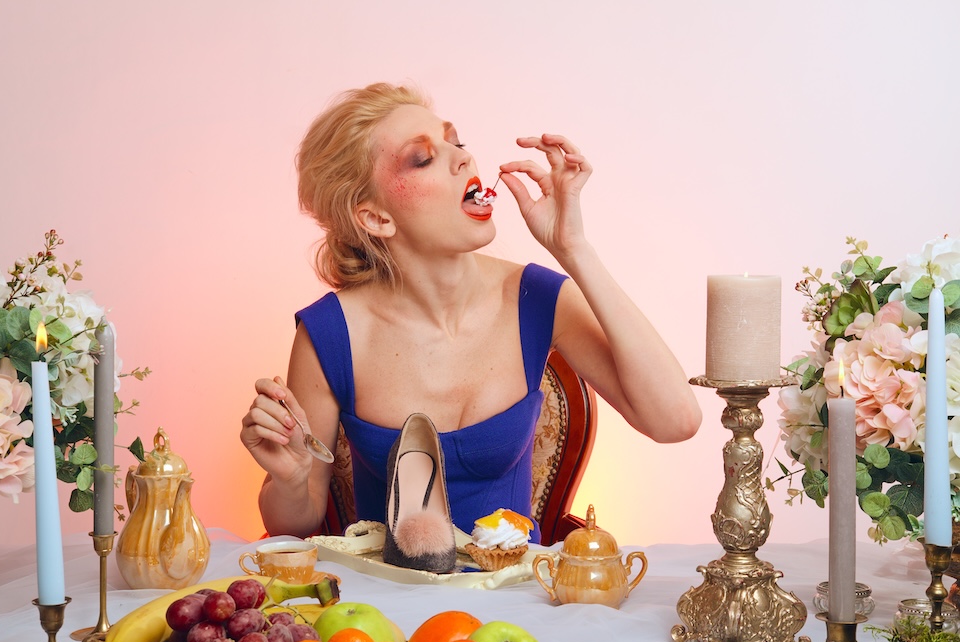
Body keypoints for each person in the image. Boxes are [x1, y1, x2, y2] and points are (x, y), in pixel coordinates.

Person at [240, 83, 701, 541]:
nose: (463, 158)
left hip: (519, 605)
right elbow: (291, 524)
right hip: (388, 606)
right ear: (376, 218)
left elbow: (675, 420)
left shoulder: (536, 297)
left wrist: (574, 249)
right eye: (423, 158)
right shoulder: (329, 334)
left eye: (455, 142)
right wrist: (291, 478)